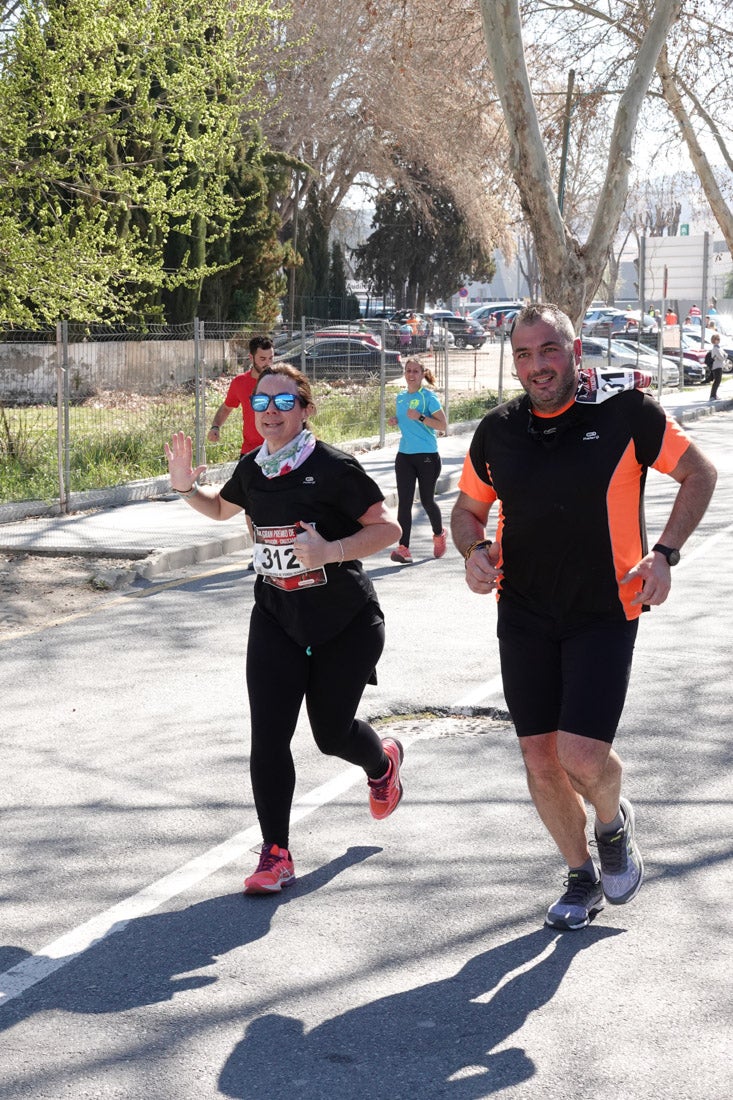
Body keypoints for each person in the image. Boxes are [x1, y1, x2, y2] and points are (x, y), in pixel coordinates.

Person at [451, 303, 716, 932]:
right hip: (522, 612)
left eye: (548, 351)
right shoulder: (498, 429)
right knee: (540, 758)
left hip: (606, 608)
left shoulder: (627, 413)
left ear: (576, 350)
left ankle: (612, 822)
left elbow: (699, 473)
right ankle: (580, 874)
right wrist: (473, 551)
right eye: (523, 354)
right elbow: (467, 511)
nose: (537, 366)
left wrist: (665, 554)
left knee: (581, 756)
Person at [165, 364, 404, 894]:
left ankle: (381, 762)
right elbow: (220, 509)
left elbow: (388, 528)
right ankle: (275, 854)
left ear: (304, 408)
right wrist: (186, 488)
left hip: (345, 623)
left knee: (330, 735)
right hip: (276, 616)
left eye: (281, 402)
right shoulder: (253, 467)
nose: (269, 412)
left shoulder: (335, 467)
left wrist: (331, 551)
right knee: (269, 737)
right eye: (260, 403)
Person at [388, 358, 448, 564]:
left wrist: (421, 417)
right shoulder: (400, 397)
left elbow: (443, 425)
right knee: (404, 503)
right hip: (404, 455)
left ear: (422, 374)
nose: (411, 374)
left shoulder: (428, 397)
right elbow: (407, 424)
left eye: (415, 371)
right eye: (408, 370)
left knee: (427, 500)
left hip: (427, 456)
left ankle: (439, 534)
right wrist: (397, 421)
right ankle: (404, 548)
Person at [207, 335, 275, 455]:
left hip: (278, 450)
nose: (268, 363)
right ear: (251, 357)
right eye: (263, 359)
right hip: (250, 452)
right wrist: (215, 426)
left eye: (271, 358)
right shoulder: (240, 383)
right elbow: (226, 408)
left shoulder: (282, 381)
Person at [708, 333, 726, 400]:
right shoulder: (715, 348)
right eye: (717, 339)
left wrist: (724, 356)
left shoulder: (719, 347)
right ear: (713, 340)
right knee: (717, 381)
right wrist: (724, 356)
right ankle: (712, 396)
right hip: (716, 366)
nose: (718, 340)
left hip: (719, 366)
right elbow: (722, 357)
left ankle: (714, 395)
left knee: (718, 381)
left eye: (719, 339)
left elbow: (725, 354)